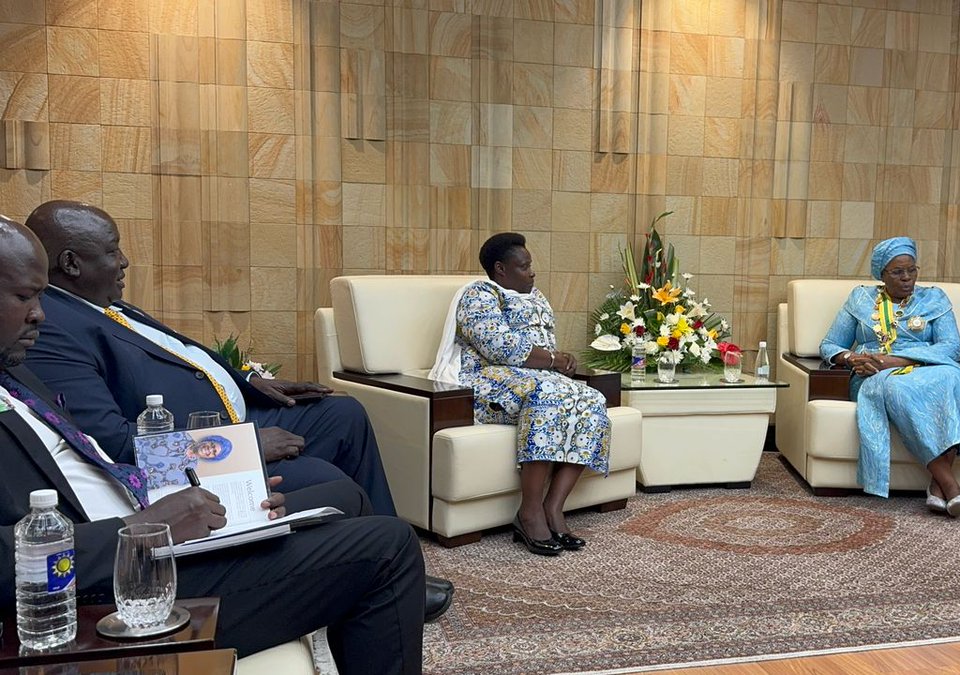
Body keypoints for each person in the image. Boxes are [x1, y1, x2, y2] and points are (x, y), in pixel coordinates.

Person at [0, 216, 424, 673]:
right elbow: (115, 441)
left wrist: (248, 385)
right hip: (115, 578)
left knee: (341, 481)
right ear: (73, 262)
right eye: (25, 296)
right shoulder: (45, 339)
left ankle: (362, 602)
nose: (38, 312)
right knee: (389, 545)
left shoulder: (18, 371)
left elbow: (173, 372)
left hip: (149, 509)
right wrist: (143, 523)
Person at [430, 233, 610, 556]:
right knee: (546, 394)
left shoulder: (537, 297)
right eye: (524, 266)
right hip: (484, 382)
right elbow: (500, 347)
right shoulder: (480, 295)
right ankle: (528, 513)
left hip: (532, 379)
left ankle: (553, 508)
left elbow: (544, 347)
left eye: (531, 266)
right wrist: (553, 360)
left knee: (593, 400)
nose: (532, 272)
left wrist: (560, 359)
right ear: (501, 269)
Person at [819, 237, 960, 517]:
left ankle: (937, 487)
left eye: (912, 270)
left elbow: (952, 347)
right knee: (898, 389)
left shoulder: (934, 298)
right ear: (881, 274)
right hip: (876, 375)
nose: (907, 278)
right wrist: (851, 358)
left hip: (928, 368)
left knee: (954, 380)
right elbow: (830, 345)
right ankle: (949, 486)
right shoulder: (860, 299)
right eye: (897, 272)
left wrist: (899, 359)